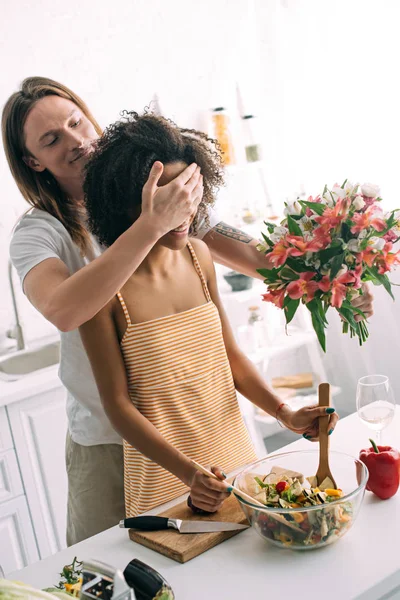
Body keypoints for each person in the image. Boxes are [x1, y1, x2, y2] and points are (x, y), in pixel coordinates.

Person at [1, 77, 372, 545]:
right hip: (108, 443)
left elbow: (257, 259)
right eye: (52, 139)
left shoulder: (171, 213)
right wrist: (151, 221)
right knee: (104, 573)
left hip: (204, 429)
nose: (75, 141)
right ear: (33, 160)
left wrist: (331, 278)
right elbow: (64, 308)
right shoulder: (41, 233)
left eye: (76, 122)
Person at [80, 110, 340, 523]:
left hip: (234, 458)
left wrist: (283, 412)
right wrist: (189, 474)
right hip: (166, 481)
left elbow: (230, 358)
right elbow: (117, 406)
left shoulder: (199, 257)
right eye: (165, 200)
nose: (182, 211)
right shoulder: (100, 291)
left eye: (188, 193)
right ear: (124, 203)